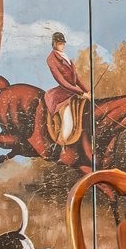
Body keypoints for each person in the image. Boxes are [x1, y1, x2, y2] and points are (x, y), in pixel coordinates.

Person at [44, 31, 90, 159]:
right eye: (59, 44)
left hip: (73, 91)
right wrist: (81, 92)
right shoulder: (51, 59)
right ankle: (58, 149)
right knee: (68, 121)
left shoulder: (66, 56)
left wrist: (87, 91)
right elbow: (62, 82)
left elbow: (77, 78)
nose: (62, 46)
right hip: (62, 94)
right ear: (54, 44)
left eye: (63, 43)